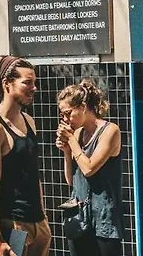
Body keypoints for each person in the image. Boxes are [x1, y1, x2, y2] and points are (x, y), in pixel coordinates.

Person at [0, 56, 51, 256]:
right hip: (11, 225)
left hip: (37, 223)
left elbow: (32, 173)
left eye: (34, 82)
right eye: (27, 82)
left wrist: (43, 218)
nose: (34, 88)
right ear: (7, 84)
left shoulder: (29, 121)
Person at [56, 79, 124, 256]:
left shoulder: (110, 131)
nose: (65, 119)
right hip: (79, 215)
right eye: (62, 115)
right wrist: (66, 151)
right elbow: (71, 180)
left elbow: (89, 169)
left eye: (68, 113)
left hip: (104, 216)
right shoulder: (77, 133)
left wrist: (71, 141)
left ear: (83, 107)